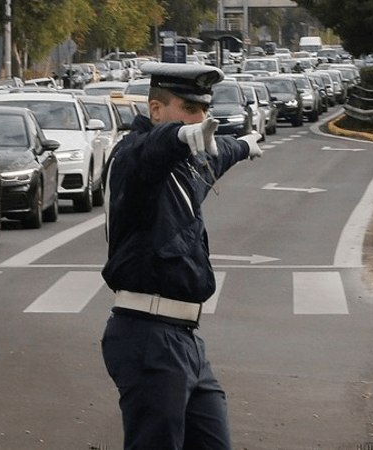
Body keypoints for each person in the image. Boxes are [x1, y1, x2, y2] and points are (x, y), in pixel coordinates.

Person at [101, 61, 263, 450]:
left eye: (205, 110)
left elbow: (215, 153)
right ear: (156, 110)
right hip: (147, 334)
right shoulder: (133, 159)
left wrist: (241, 145)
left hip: (184, 338)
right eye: (190, 109)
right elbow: (151, 150)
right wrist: (178, 136)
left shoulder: (186, 163)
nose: (201, 118)